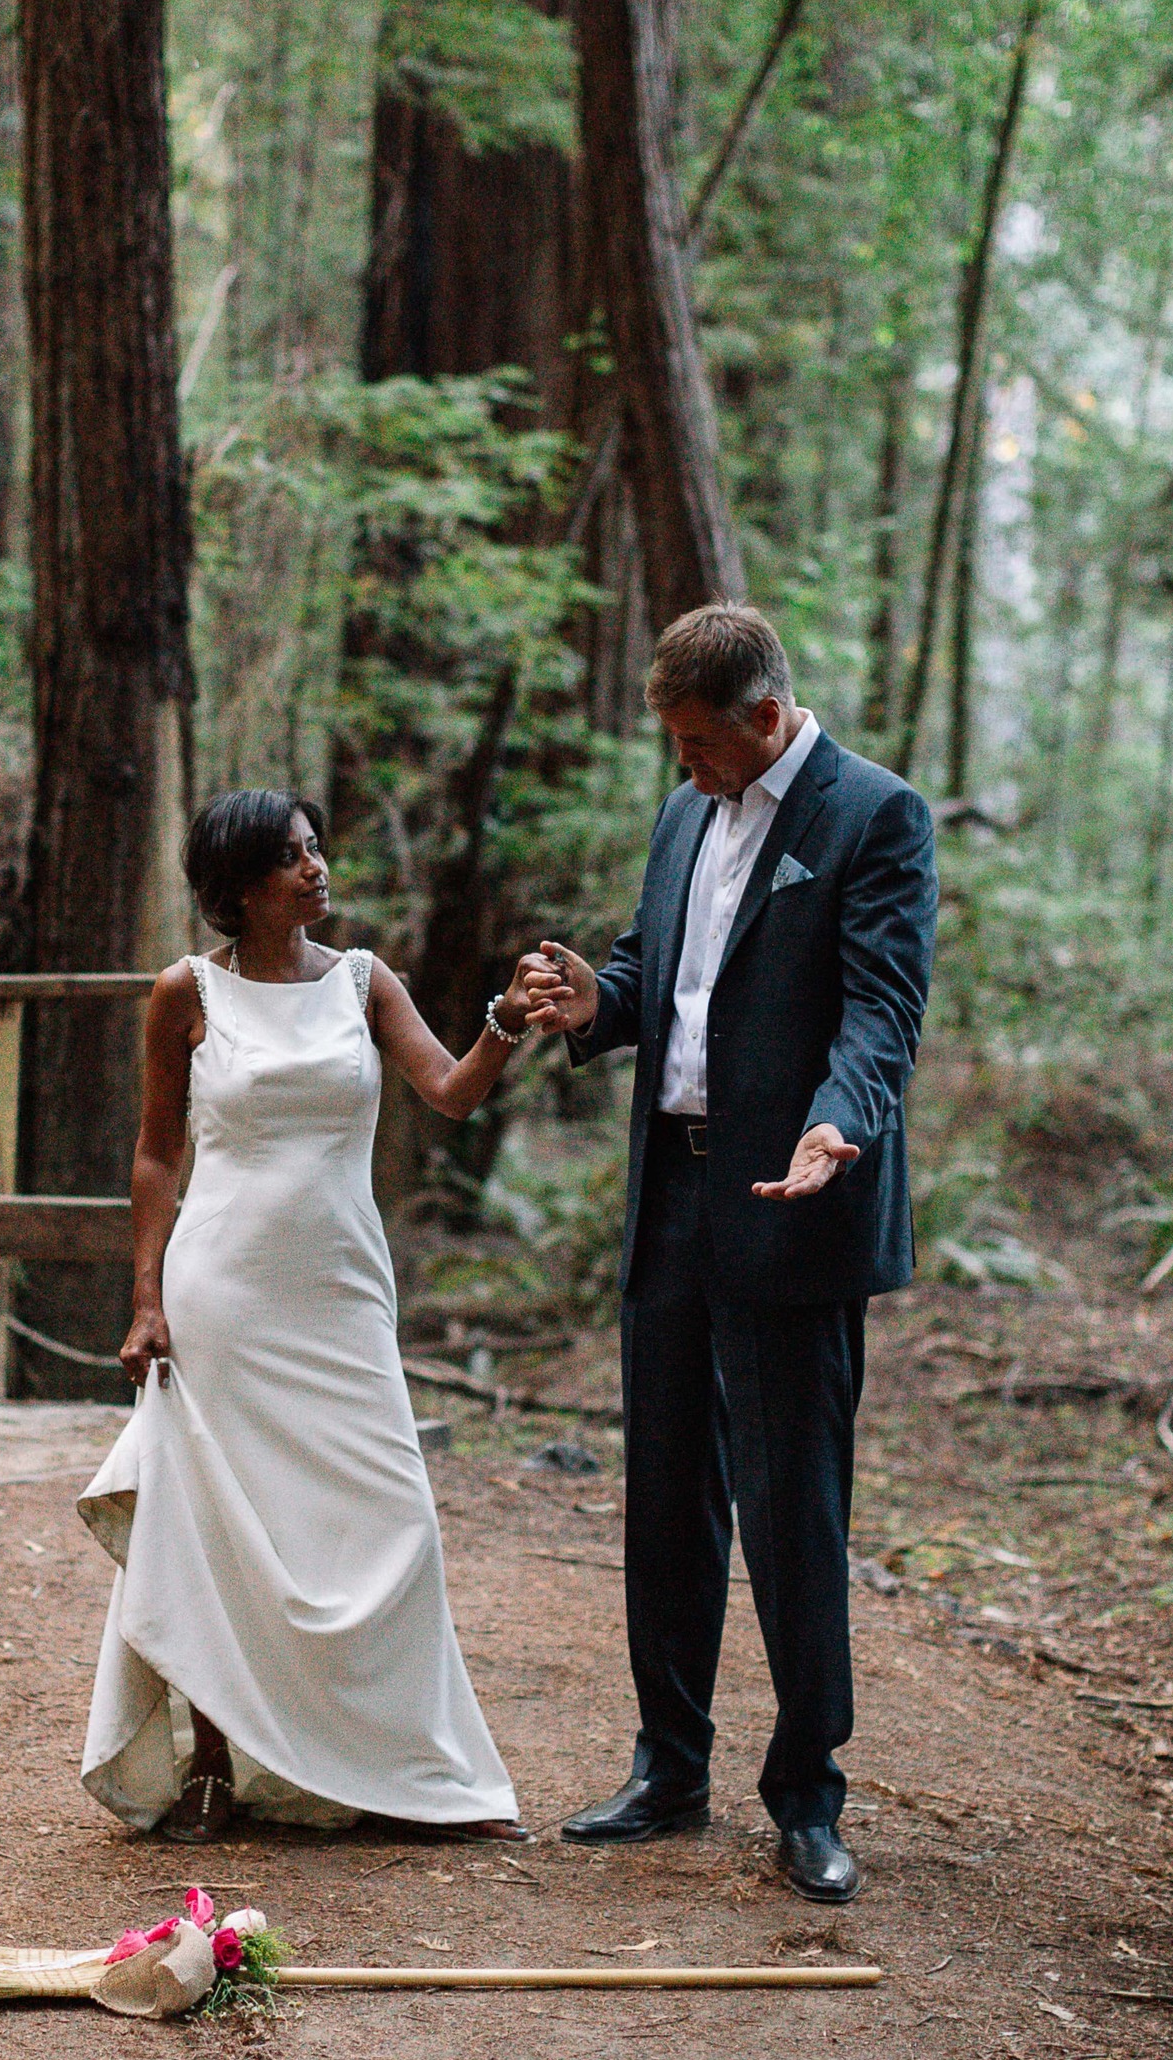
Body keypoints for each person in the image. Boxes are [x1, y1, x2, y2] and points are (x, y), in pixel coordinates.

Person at [524, 603, 936, 1904]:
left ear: (765, 718)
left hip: (791, 1200)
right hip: (672, 1202)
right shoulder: (681, 811)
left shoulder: (872, 816)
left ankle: (806, 1795)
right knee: (665, 1495)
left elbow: (882, 1008)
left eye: (699, 743)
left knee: (792, 1509)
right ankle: (667, 1763)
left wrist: (836, 1120)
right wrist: (597, 998)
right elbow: (660, 975)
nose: (683, 766)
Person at [77, 788, 539, 1845]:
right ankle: (210, 1770)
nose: (316, 867)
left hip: (338, 1291)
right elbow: (158, 1154)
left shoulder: (366, 984)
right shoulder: (184, 993)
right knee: (219, 1533)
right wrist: (146, 1299)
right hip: (221, 1295)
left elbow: (452, 1091)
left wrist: (503, 1022)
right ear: (238, 887)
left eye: (315, 848)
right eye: (290, 857)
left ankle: (413, 1772)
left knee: (390, 1522)